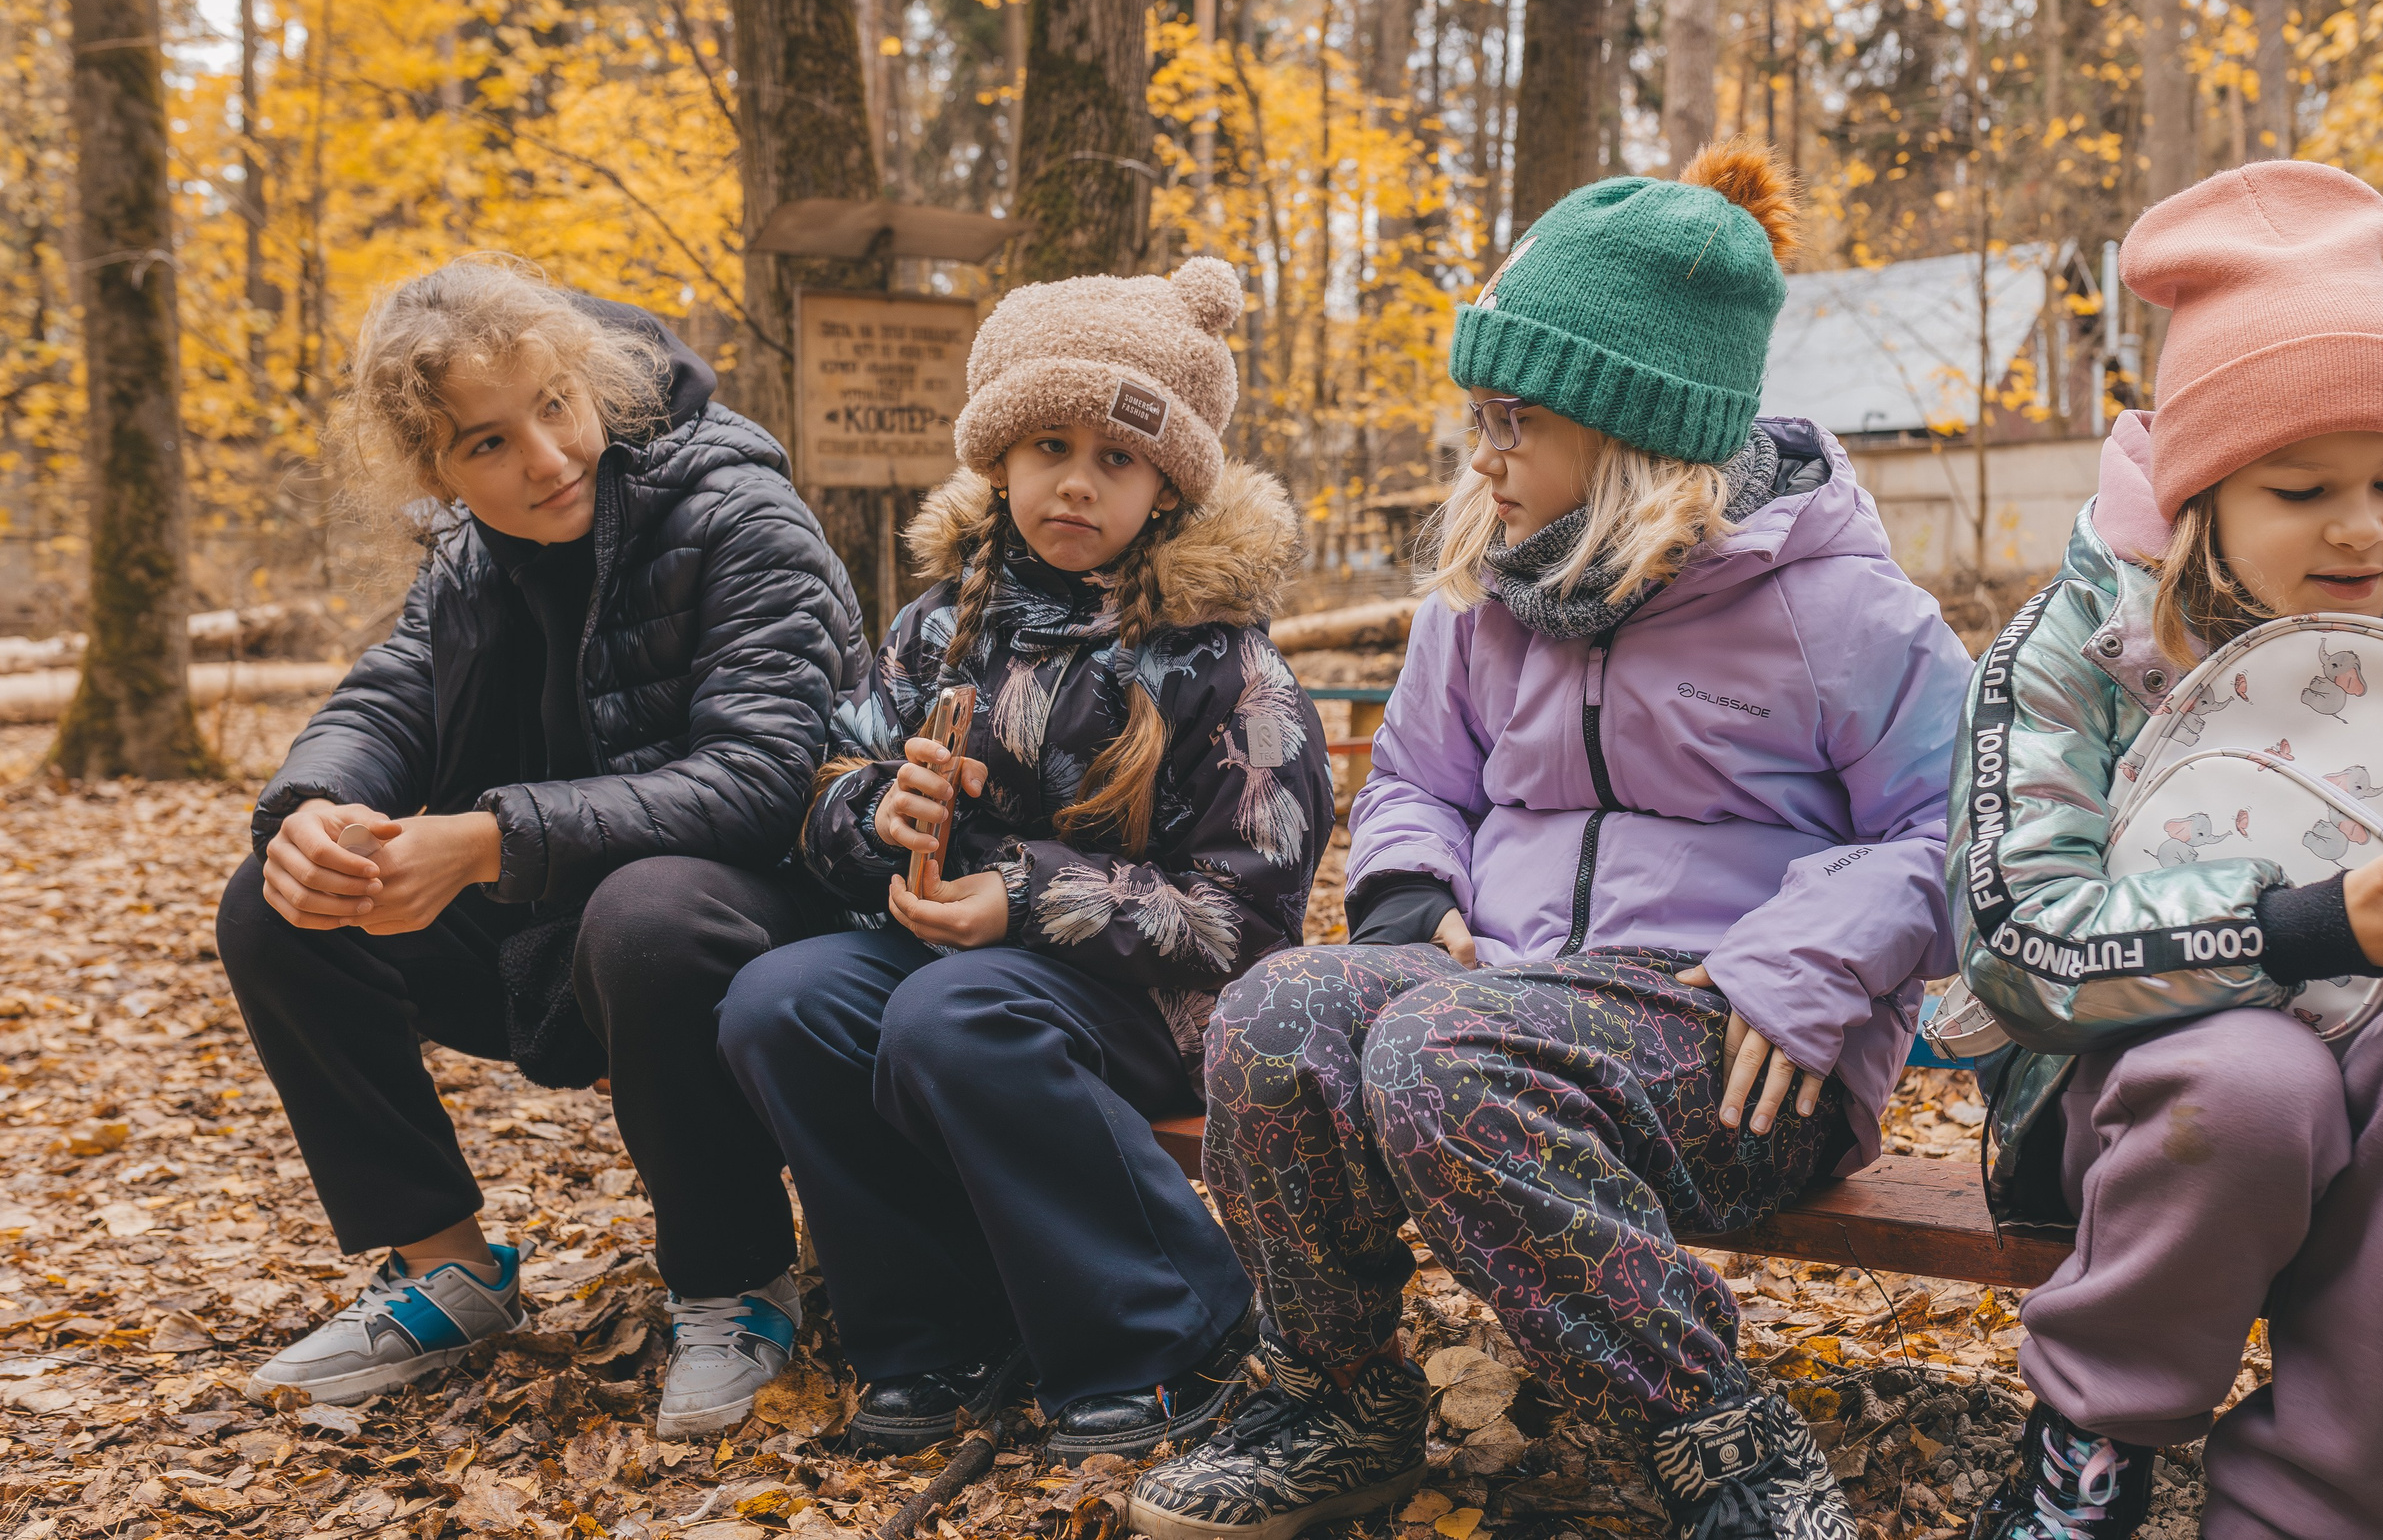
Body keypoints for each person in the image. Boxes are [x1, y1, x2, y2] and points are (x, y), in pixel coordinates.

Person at [1125, 141, 1972, 1540]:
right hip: (1499, 1006)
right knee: (1277, 1011)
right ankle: (1334, 1396)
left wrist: (1812, 957)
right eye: (1478, 412)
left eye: (1514, 417)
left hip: (1740, 1033)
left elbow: (1957, 829)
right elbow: (1415, 778)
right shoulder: (1484, 595)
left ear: (1629, 427)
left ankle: (1723, 1440)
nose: (1482, 449)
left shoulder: (1844, 609)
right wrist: (1406, 895)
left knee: (1440, 1054)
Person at [1948, 161, 2383, 1540]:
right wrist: (2306, 925)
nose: (2362, 528)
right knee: (2256, 1070)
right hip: (2125, 1090)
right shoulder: (2072, 654)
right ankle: (2091, 1445)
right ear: (2203, 494)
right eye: (2301, 489)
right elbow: (2014, 940)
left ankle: (2316, 1493)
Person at [215, 257, 862, 1439]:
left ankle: (735, 1285)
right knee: (274, 905)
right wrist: (310, 809)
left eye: (555, 406)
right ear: (435, 470)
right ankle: (447, 1274)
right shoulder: (470, 557)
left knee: (648, 912)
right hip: (558, 915)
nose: (546, 458)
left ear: (590, 381)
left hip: (771, 917)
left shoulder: (737, 509)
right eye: (488, 444)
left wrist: (485, 840)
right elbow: (388, 700)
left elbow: (763, 780)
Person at [717, 256, 1332, 1465]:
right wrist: (874, 823)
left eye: (1116, 457)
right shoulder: (937, 625)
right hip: (960, 961)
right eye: (1046, 445)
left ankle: (1169, 1326)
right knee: (778, 1002)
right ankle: (940, 1328)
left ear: (1165, 484)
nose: (1075, 482)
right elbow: (830, 782)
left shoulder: (1226, 668)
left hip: (1155, 997)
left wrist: (1023, 897)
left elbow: (1245, 923)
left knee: (957, 1015)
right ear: (996, 459)